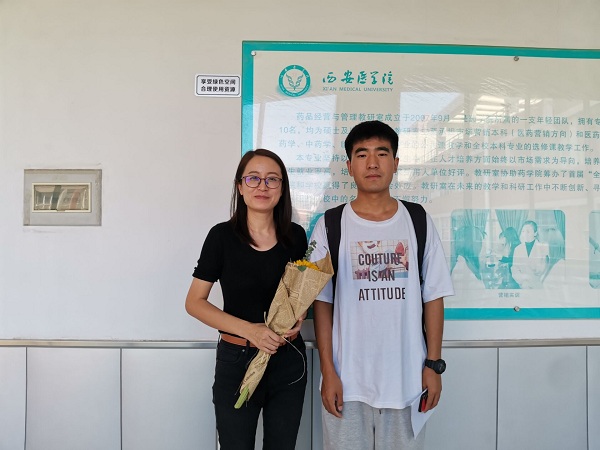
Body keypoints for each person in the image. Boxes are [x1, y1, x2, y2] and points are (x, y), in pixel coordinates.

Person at [308, 121, 454, 450]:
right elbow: (322, 302)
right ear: (349, 166)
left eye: (382, 153)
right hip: (347, 383)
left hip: (407, 381)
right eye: (362, 155)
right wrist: (328, 371)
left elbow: (433, 296)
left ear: (396, 163)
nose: (372, 163)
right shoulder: (330, 225)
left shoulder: (417, 220)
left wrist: (433, 366)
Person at [185, 149, 308, 450]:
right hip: (237, 359)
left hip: (288, 359)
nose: (262, 186)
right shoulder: (221, 237)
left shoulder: (296, 237)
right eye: (253, 178)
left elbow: (300, 293)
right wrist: (250, 331)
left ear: (282, 188)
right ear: (240, 186)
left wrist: (300, 313)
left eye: (272, 179)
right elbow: (195, 302)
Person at [511, 220, 549, 289]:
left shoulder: (543, 248)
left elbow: (545, 269)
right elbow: (514, 269)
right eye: (523, 231)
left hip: (539, 286)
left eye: (528, 231)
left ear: (535, 233)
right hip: (523, 286)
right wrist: (523, 281)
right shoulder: (517, 249)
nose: (525, 234)